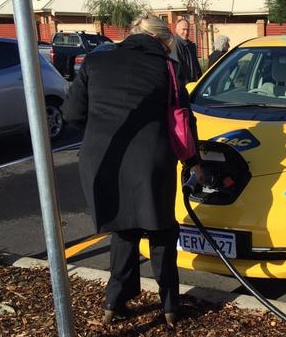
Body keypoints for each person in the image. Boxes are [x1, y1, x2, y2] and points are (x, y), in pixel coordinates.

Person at [63, 12, 201, 328]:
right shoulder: (167, 68)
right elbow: (183, 120)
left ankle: (115, 302)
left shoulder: (96, 63)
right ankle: (169, 307)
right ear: (162, 39)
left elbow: (72, 113)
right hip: (151, 162)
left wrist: (102, 132)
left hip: (102, 158)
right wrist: (194, 163)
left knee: (124, 228)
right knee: (161, 230)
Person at [172, 17, 202, 83]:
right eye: (183, 29)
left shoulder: (190, 45)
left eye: (188, 30)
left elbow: (196, 67)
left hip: (193, 85)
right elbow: (176, 71)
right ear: (176, 30)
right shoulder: (174, 45)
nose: (186, 32)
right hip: (184, 87)